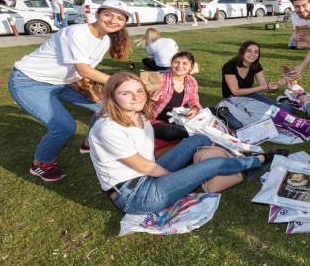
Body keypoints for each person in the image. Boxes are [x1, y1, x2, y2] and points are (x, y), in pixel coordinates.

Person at [88, 72, 288, 215]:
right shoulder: (108, 128)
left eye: (139, 90)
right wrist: (180, 177)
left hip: (147, 176)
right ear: (112, 97)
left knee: (199, 139)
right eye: (126, 93)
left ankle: (229, 162)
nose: (136, 97)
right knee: (211, 166)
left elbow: (147, 159)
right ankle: (258, 161)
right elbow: (144, 166)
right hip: (136, 196)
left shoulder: (137, 113)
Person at [8, 0, 131, 182]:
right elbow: (84, 69)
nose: (113, 20)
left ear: (124, 23)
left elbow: (85, 71)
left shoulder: (105, 39)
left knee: (106, 107)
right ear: (97, 15)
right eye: (108, 14)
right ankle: (41, 164)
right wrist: (121, 82)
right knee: (64, 127)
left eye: (120, 18)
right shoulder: (76, 32)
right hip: (29, 81)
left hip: (62, 82)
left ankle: (89, 143)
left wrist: (91, 88)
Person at [220, 41, 291, 129]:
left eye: (256, 52)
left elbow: (265, 88)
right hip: (231, 99)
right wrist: (262, 87)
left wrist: (277, 83)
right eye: (249, 51)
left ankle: (285, 102)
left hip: (250, 95)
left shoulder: (256, 66)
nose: (252, 54)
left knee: (285, 112)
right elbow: (235, 91)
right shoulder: (229, 66)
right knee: (237, 123)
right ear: (242, 52)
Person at [150, 52, 201, 141]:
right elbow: (139, 103)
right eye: (176, 62)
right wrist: (151, 100)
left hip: (174, 117)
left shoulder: (191, 80)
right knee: (172, 132)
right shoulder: (157, 78)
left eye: (185, 63)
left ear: (191, 67)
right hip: (154, 117)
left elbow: (194, 100)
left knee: (209, 114)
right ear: (171, 64)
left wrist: (194, 109)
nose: (179, 66)